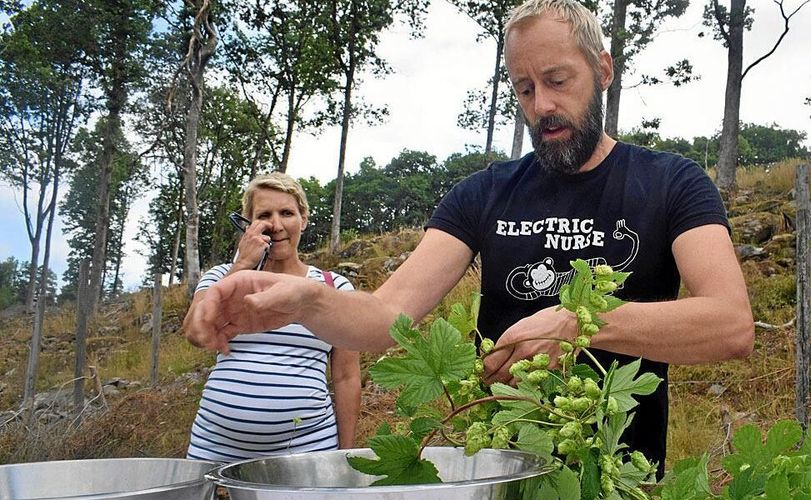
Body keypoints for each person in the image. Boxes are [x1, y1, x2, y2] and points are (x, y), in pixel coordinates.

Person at [183, 0, 753, 472]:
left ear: (603, 70)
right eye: (524, 89)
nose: (542, 106)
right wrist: (308, 300)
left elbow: (729, 324)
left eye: (558, 81)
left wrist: (578, 326)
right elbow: (387, 318)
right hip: (497, 467)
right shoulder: (483, 193)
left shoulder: (673, 182)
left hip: (618, 473)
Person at [183, 172, 361, 463]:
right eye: (264, 215)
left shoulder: (334, 287)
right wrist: (241, 264)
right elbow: (194, 332)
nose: (276, 225)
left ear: (303, 219)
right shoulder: (221, 277)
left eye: (287, 213)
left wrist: (345, 457)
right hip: (214, 449)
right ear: (248, 224)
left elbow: (346, 377)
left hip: (308, 449)